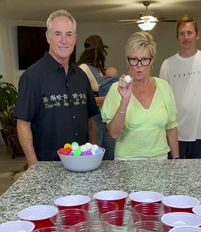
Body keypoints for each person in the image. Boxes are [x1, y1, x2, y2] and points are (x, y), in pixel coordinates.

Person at [15, 9, 98, 166]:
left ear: (75, 38)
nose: (64, 40)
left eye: (69, 34)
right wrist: (34, 167)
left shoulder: (81, 76)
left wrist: (91, 154)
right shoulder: (32, 76)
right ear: (48, 37)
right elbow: (23, 124)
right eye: (58, 34)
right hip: (48, 167)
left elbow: (90, 120)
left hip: (83, 163)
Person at [101, 31, 179, 160]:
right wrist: (124, 101)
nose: (138, 66)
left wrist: (177, 160)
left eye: (144, 59)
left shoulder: (164, 87)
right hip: (127, 162)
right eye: (134, 59)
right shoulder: (116, 89)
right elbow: (113, 134)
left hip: (160, 162)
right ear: (127, 60)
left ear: (152, 60)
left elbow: (171, 129)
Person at [159, 15, 201, 159]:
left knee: (196, 176)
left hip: (200, 130)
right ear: (177, 37)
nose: (186, 37)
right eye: (182, 34)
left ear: (197, 35)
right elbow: (161, 99)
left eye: (189, 33)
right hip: (173, 130)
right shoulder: (167, 65)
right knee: (175, 174)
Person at [77, 35, 118, 159]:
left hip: (105, 117)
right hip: (94, 119)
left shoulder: (98, 70)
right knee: (95, 154)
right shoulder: (82, 69)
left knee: (110, 154)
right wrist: (108, 99)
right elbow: (81, 99)